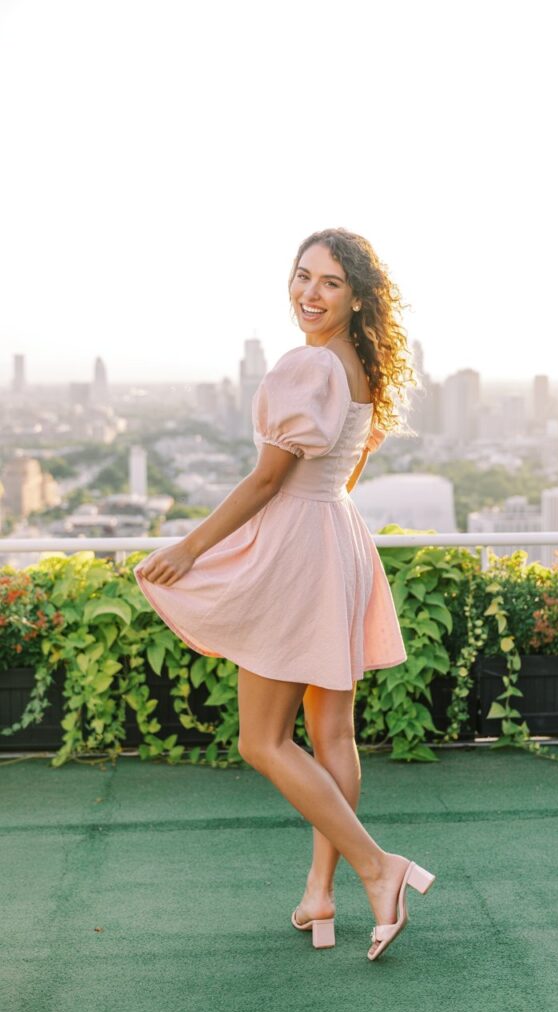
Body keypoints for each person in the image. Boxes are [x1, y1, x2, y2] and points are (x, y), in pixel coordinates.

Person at [134, 227, 436, 960]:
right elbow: (346, 471)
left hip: (304, 549)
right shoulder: (360, 364)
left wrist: (191, 545)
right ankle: (319, 895)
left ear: (357, 296)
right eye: (303, 276)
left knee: (261, 739)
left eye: (330, 282)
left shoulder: (308, 365)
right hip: (339, 536)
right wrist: (316, 522)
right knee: (330, 735)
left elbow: (269, 479)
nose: (310, 292)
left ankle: (376, 868)